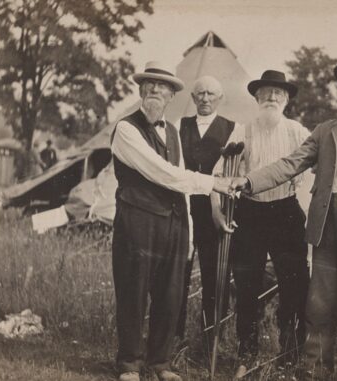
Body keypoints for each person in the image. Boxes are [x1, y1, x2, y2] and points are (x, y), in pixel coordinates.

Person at [231, 54, 337, 380]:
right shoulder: (326, 131)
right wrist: (250, 181)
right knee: (319, 306)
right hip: (325, 227)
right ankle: (312, 369)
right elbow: (290, 163)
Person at [110, 61, 233, 381]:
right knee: (133, 292)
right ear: (140, 91)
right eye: (149, 85)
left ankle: (160, 363)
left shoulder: (175, 133)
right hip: (137, 222)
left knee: (170, 294)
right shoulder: (125, 129)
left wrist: (188, 233)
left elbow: (180, 190)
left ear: (171, 95)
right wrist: (211, 183)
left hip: (174, 225)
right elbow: (160, 172)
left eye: (161, 87)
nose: (154, 91)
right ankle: (129, 364)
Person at [211, 70, 310, 372]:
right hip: (250, 213)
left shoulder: (298, 132)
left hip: (286, 212)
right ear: (256, 98)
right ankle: (247, 353)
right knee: (246, 286)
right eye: (266, 93)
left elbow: (316, 174)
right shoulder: (244, 130)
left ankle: (290, 353)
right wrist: (216, 209)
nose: (271, 98)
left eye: (278, 93)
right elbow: (219, 174)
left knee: (295, 286)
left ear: (287, 99)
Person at [177, 76, 235, 345]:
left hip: (215, 211)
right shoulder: (180, 127)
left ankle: (211, 338)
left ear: (220, 98)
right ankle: (172, 336)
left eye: (211, 93)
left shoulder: (232, 129)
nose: (205, 98)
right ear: (192, 97)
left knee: (214, 275)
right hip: (183, 207)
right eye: (200, 93)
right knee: (178, 273)